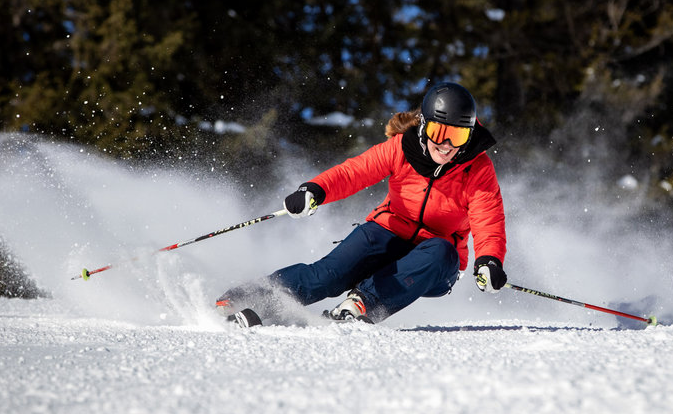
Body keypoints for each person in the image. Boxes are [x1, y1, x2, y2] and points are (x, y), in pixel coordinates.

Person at [215, 81, 508, 326]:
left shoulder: (476, 169)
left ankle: (361, 304)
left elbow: (488, 219)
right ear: (424, 127)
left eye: (457, 135)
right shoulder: (401, 148)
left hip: (434, 263)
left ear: (469, 135)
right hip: (387, 231)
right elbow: (355, 172)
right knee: (329, 274)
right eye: (439, 133)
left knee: (442, 251)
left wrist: (489, 260)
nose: (447, 146)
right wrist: (314, 190)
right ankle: (252, 296)